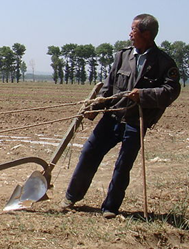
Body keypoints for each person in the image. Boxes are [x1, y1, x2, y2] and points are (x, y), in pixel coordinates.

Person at [61, 14, 181, 218]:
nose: (129, 34)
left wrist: (143, 95)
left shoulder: (164, 63)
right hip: (112, 117)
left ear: (146, 34)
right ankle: (72, 197)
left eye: (133, 30)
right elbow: (108, 88)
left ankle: (110, 207)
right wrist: (95, 106)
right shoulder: (122, 56)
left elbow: (171, 92)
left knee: (123, 165)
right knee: (89, 152)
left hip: (136, 122)